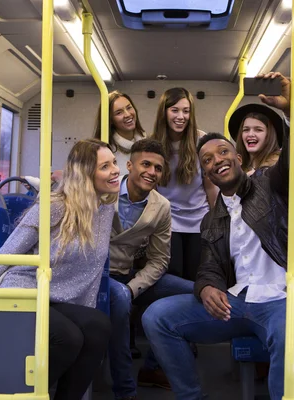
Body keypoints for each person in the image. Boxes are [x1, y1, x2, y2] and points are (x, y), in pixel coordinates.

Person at [142, 72, 294, 400]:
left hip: (281, 298)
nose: (216, 161)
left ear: (238, 158)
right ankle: (192, 396)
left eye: (223, 153)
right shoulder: (213, 218)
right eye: (207, 160)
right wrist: (207, 286)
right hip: (238, 302)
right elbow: (209, 266)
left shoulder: (271, 184)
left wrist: (293, 110)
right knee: (157, 316)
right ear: (205, 172)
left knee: (287, 333)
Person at [0, 139, 120, 400]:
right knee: (68, 338)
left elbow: (91, 272)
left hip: (59, 298)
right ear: (86, 175)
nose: (115, 170)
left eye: (113, 162)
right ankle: (19, 394)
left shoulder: (105, 208)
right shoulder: (53, 206)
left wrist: (86, 312)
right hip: (25, 288)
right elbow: (7, 254)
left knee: (99, 326)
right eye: (105, 166)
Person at [107, 139, 194, 400]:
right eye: (146, 164)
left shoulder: (161, 207)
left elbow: (158, 261)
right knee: (119, 301)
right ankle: (125, 391)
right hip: (97, 275)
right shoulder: (102, 190)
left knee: (195, 293)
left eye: (158, 168)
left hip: (128, 276)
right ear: (130, 165)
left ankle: (152, 368)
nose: (152, 172)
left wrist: (132, 288)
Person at [151, 87, 218, 281]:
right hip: (167, 221)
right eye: (175, 110)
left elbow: (211, 185)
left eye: (186, 111)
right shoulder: (154, 143)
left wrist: (217, 220)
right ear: (164, 112)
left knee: (196, 276)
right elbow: (150, 187)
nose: (181, 116)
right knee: (173, 276)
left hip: (199, 220)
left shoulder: (201, 140)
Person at [95, 90, 147, 175]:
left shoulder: (148, 143)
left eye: (129, 107)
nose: (127, 114)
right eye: (119, 112)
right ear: (110, 120)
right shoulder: (104, 150)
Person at [230, 104, 282, 175]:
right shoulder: (236, 169)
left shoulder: (280, 165)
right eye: (246, 130)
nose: (250, 134)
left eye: (258, 130)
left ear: (270, 135)